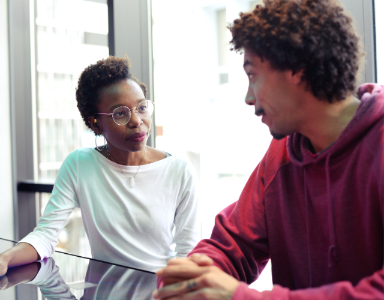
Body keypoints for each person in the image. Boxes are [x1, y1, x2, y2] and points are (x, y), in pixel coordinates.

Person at [153, 0, 384, 299]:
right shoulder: (283, 154)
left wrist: (238, 297)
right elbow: (233, 244)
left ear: (297, 69)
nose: (249, 98)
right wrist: (192, 278)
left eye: (252, 75)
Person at [0, 56, 200, 275]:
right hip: (101, 291)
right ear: (96, 123)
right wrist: (5, 258)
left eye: (141, 107)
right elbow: (45, 236)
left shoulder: (179, 170)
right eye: (120, 113)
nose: (136, 121)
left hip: (158, 290)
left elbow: (187, 254)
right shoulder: (79, 164)